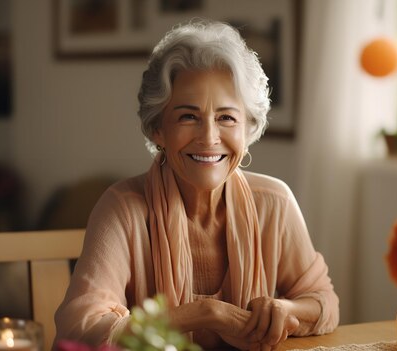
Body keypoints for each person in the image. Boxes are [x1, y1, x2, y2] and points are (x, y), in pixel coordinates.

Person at [54, 20, 339, 350]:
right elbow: (80, 327)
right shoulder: (123, 208)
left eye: (226, 118)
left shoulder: (274, 202)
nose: (209, 138)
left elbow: (323, 303)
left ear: (248, 129)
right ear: (157, 128)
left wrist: (283, 309)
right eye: (188, 116)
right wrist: (206, 313)